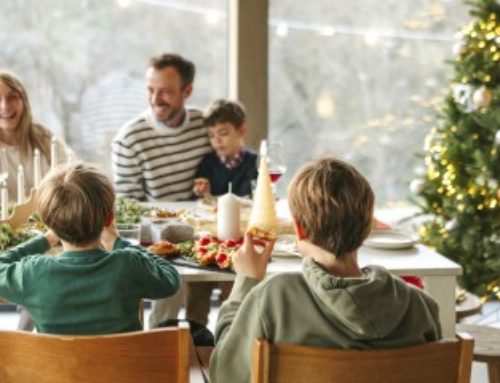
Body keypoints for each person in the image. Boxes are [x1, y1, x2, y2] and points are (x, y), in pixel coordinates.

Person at [209, 157, 442, 383]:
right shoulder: (420, 307)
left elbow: (225, 373)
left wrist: (246, 281)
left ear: (299, 229)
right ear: (368, 227)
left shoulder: (274, 298)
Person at [0, 162, 180, 335]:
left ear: (48, 222)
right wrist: (118, 242)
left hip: (58, 367)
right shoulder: (128, 264)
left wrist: (45, 240)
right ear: (109, 219)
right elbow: (171, 279)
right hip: (123, 367)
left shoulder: (33, 272)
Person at [111, 53, 212, 329]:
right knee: (168, 293)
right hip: (156, 237)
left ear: (187, 91)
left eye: (165, 92)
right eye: (150, 90)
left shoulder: (206, 126)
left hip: (205, 232)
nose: (155, 99)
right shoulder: (130, 139)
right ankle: (158, 344)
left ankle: (200, 347)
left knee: (208, 296)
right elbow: (127, 210)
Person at [0, 70, 74, 331]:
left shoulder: (44, 139)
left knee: (44, 277)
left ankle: (28, 344)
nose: (5, 106)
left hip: (47, 234)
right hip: (6, 236)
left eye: (12, 97)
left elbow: (73, 178)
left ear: (24, 100)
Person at [193, 99, 257, 199]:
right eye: (211, 135)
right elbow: (198, 200)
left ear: (241, 131)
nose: (217, 141)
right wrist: (201, 192)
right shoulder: (207, 164)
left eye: (223, 133)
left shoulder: (255, 163)